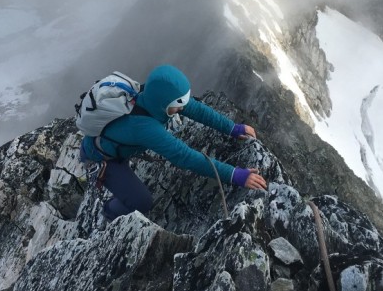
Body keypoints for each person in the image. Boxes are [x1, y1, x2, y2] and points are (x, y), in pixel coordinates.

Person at [79, 64, 268, 221]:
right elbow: (184, 157)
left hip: (119, 146)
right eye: (177, 106)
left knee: (130, 178)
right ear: (164, 105)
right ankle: (109, 214)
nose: (181, 109)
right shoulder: (145, 128)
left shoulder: (152, 95)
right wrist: (235, 175)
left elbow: (196, 109)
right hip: (102, 158)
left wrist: (233, 128)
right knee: (142, 202)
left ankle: (122, 190)